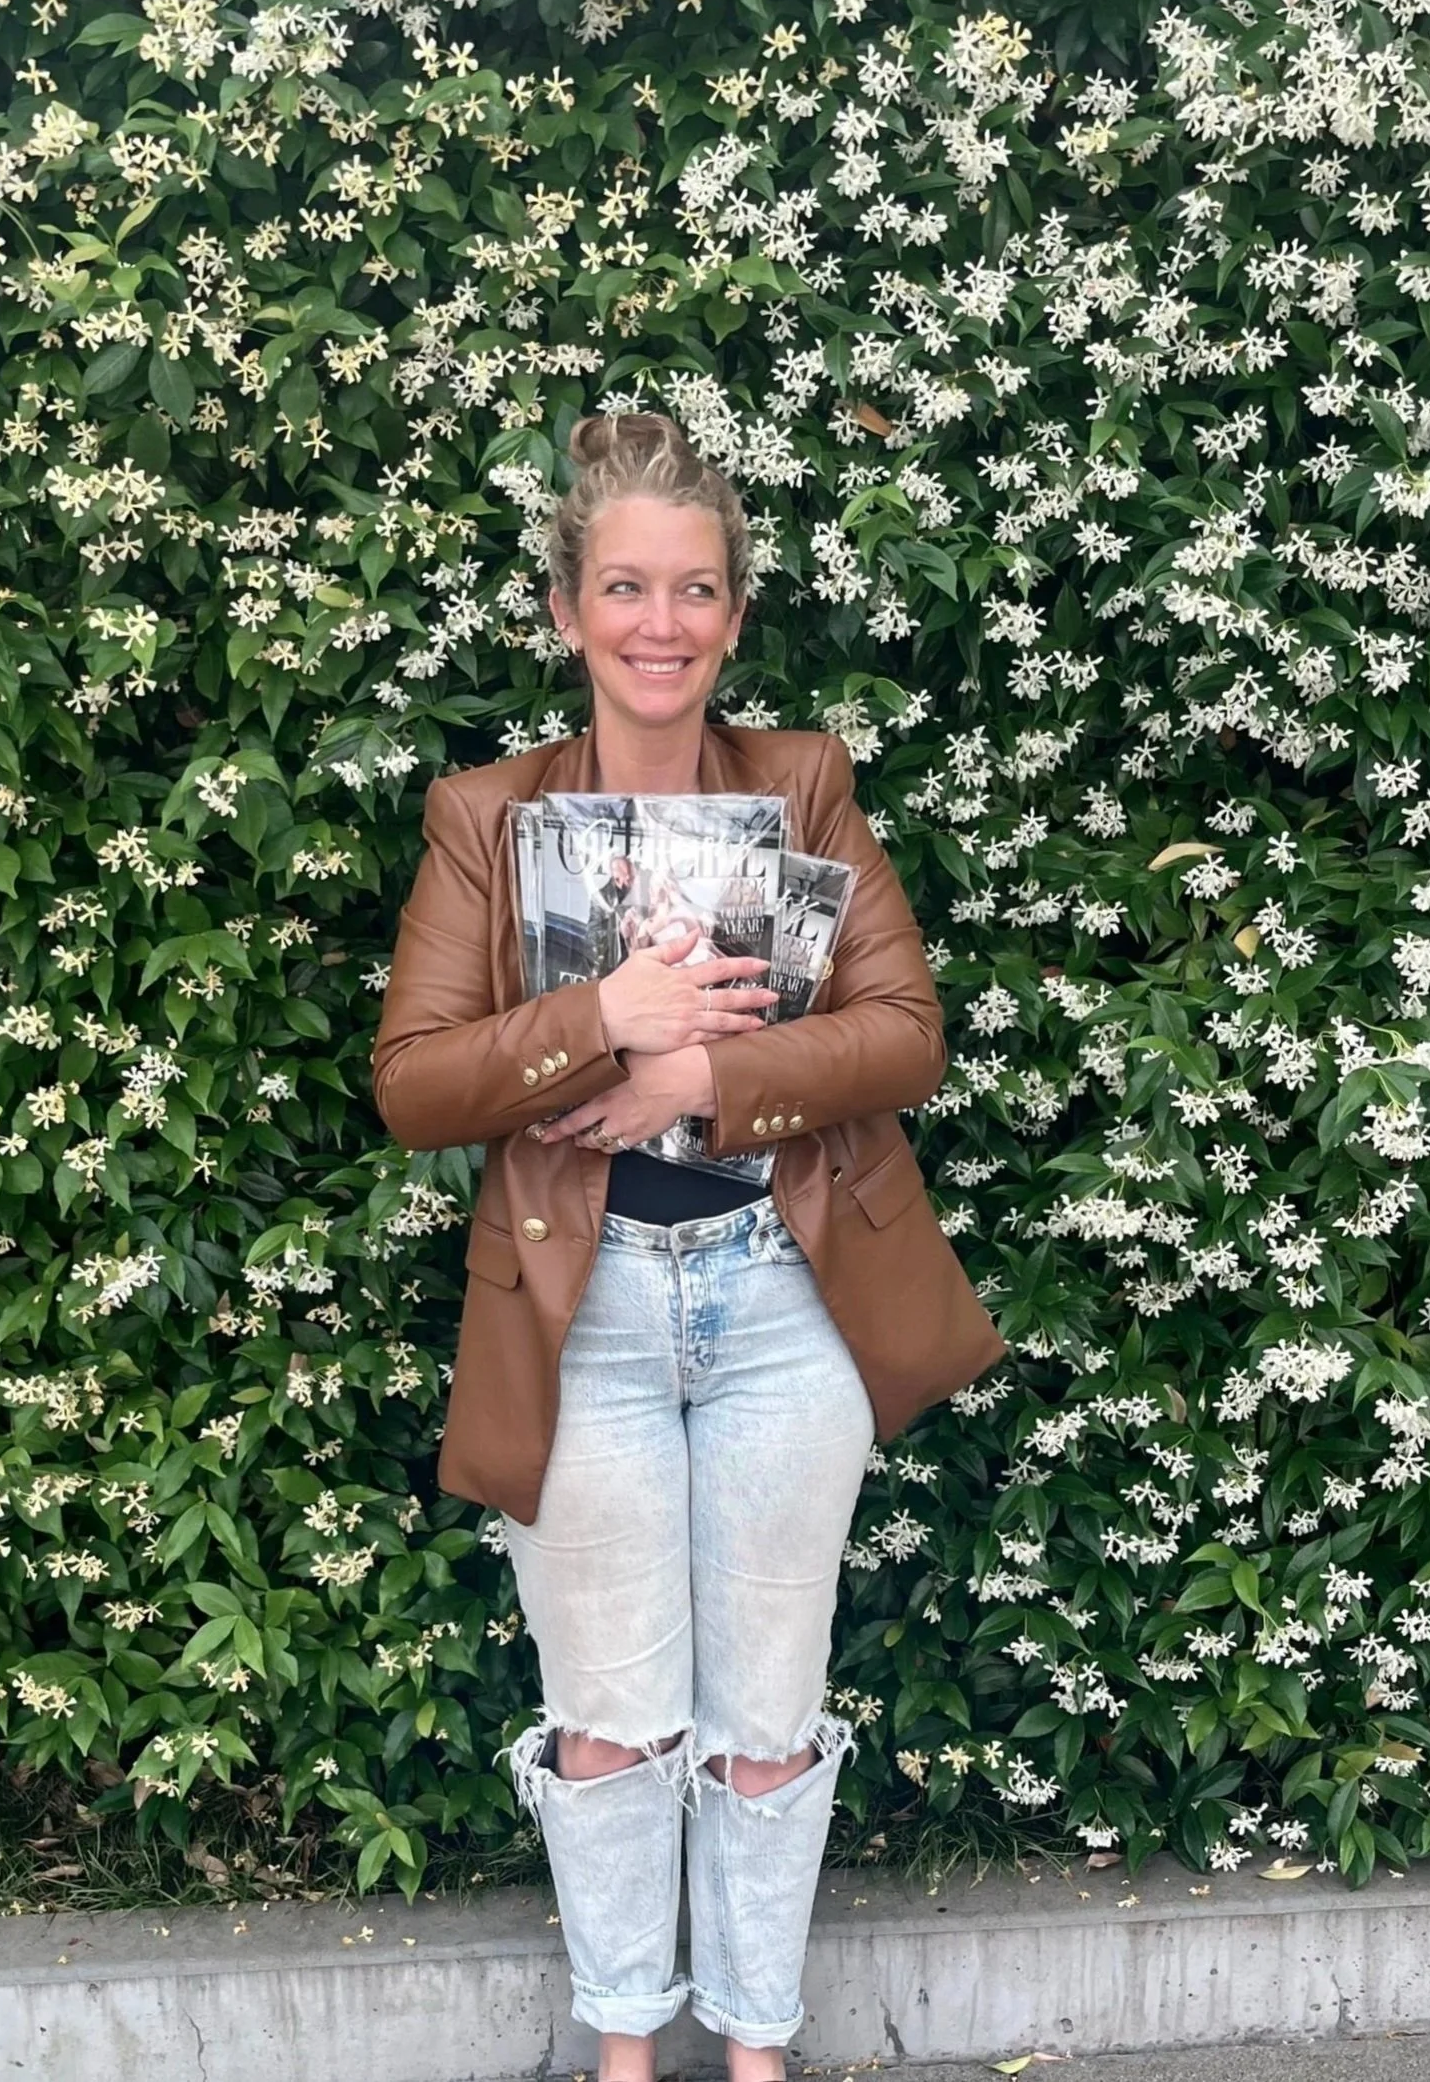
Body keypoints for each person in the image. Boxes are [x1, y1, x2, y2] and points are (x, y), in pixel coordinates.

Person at [372, 412, 1006, 2082]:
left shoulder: (800, 781)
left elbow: (905, 1033)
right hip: (580, 1318)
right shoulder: (484, 818)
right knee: (610, 1715)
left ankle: (757, 2050)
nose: (663, 624)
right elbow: (418, 1081)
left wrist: (696, 1072)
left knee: (767, 1719)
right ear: (569, 610)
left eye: (697, 591)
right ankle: (627, 2053)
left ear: (734, 616)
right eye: (628, 588)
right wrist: (599, 1012)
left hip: (782, 1299)